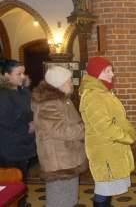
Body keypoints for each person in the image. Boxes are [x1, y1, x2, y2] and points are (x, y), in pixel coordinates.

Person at [79, 57, 136, 207]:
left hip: (111, 147)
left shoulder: (103, 92)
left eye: (112, 70)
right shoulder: (93, 95)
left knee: (107, 189)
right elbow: (104, 126)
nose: (112, 74)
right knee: (103, 188)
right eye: (108, 71)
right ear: (96, 73)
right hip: (104, 149)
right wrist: (127, 137)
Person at [31, 66, 87, 207]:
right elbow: (60, 130)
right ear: (58, 84)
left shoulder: (62, 100)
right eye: (68, 81)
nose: (71, 84)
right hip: (58, 162)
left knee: (69, 198)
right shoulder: (49, 103)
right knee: (59, 201)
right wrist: (85, 128)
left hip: (67, 157)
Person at [0, 58, 36, 206]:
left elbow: (30, 112)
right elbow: (5, 121)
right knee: (13, 181)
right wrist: (28, 127)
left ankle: (22, 202)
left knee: (22, 179)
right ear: (6, 75)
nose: (23, 77)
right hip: (10, 147)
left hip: (24, 144)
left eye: (23, 73)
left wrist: (34, 120)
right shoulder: (3, 95)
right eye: (18, 74)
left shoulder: (24, 91)